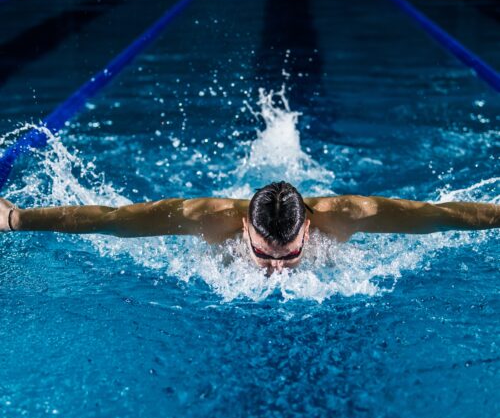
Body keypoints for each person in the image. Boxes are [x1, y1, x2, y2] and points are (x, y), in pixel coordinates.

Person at [1, 181, 498, 274]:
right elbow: (111, 222)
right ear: (243, 227)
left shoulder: (350, 214)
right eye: (263, 257)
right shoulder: (203, 217)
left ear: (309, 228)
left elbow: (440, 216)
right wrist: (16, 218)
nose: (276, 271)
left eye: (289, 256)